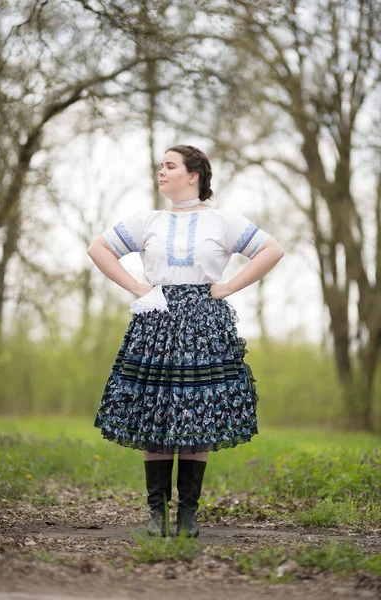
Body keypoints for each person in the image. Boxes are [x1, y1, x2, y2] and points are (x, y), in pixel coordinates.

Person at [87, 144, 284, 538]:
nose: (161, 171)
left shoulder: (222, 222)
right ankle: (157, 513)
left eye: (170, 166)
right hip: (155, 320)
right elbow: (99, 248)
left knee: (197, 412)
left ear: (193, 175)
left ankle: (188, 514)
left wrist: (226, 287)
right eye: (160, 165)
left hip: (204, 325)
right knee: (155, 412)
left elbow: (271, 249)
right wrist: (141, 288)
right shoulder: (148, 221)